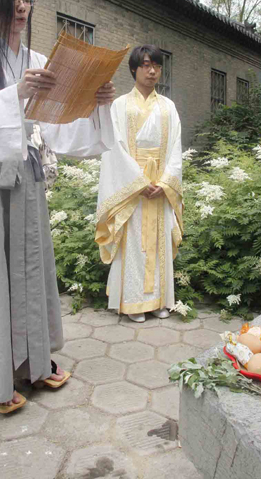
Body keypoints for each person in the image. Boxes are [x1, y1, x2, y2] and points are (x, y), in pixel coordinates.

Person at [0, 0, 116, 413]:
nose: (23, 7)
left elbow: (56, 121)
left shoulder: (38, 56)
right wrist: (16, 93)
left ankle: (34, 361)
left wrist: (94, 101)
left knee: (30, 265)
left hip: (28, 172)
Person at [96, 46, 183, 322]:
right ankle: (134, 302)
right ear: (134, 69)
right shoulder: (120, 105)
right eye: (146, 65)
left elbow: (175, 148)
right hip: (133, 185)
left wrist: (166, 182)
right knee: (134, 243)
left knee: (158, 243)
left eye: (156, 65)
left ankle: (159, 301)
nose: (152, 71)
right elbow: (115, 146)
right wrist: (139, 182)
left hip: (160, 185)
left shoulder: (168, 107)